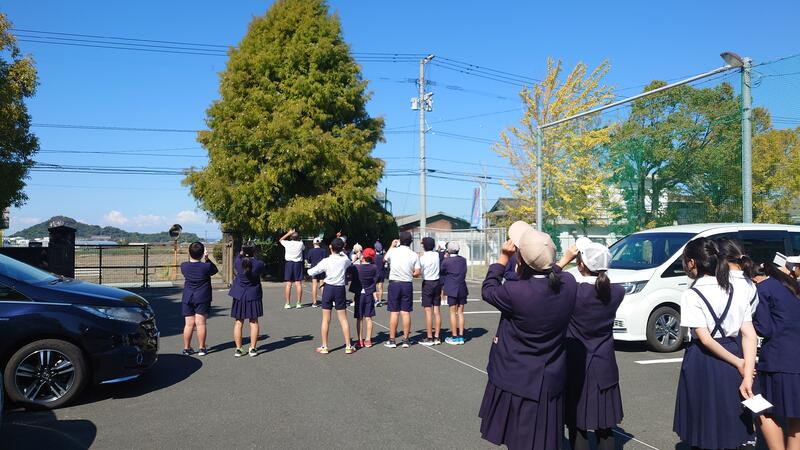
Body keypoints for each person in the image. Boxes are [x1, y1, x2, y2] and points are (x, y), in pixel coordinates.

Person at [479, 221, 577, 449]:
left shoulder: (515, 291)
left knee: (518, 439)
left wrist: (503, 258)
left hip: (516, 378)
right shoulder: (569, 284)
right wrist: (559, 262)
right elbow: (554, 274)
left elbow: (488, 289)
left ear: (520, 260)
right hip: (550, 377)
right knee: (545, 439)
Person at [673, 237, 758, 450]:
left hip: (703, 359)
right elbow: (750, 334)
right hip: (733, 352)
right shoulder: (736, 290)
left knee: (702, 425)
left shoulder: (691, 294)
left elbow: (705, 339)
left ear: (692, 262)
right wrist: (747, 371)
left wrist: (739, 363)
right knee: (731, 422)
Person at [557, 238, 625, 450]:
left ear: (581, 265)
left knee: (577, 425)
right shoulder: (618, 291)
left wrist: (564, 259)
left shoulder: (573, 291)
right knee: (605, 426)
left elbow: (548, 280)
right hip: (604, 364)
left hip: (576, 363)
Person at [753, 254, 800, 450]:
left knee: (762, 408)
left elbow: (764, 328)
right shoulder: (793, 287)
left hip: (776, 360)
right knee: (796, 417)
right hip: (796, 359)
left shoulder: (764, 289)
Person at [307, 237, 355, 355]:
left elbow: (311, 272)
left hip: (328, 288)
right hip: (339, 289)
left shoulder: (326, 261)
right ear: (342, 248)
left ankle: (324, 346)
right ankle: (348, 346)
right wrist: (342, 248)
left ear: (330, 247)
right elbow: (349, 260)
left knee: (326, 319)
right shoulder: (344, 260)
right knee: (343, 318)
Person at [180, 242, 219, 356]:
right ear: (202, 254)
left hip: (188, 297)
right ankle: (202, 348)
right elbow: (215, 270)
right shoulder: (206, 267)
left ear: (189, 252)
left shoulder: (184, 266)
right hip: (202, 297)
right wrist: (207, 259)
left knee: (188, 324)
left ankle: (187, 348)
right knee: (200, 323)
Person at [383, 231, 420, 348]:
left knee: (394, 312)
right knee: (405, 312)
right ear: (411, 242)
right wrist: (410, 273)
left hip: (394, 283)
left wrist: (392, 245)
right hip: (407, 284)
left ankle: (392, 340)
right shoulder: (414, 254)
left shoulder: (394, 251)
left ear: (400, 240)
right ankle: (406, 339)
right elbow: (417, 272)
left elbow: (385, 258)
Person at [228, 243, 265, 357]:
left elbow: (238, 258)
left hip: (239, 294)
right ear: (254, 251)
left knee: (239, 322)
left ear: (243, 251)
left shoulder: (238, 262)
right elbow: (260, 266)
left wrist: (241, 254)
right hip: (253, 294)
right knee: (253, 322)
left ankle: (239, 349)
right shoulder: (258, 264)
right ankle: (252, 348)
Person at [441, 241, 468, 345]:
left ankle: (454, 336)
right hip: (462, 288)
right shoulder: (463, 260)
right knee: (460, 312)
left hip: (452, 288)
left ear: (448, 250)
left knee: (452, 313)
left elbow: (442, 271)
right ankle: (461, 336)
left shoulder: (446, 261)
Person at [354, 248, 380, 348]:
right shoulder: (374, 268)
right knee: (368, 318)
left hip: (359, 294)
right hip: (369, 293)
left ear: (363, 257)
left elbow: (347, 269)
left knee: (359, 318)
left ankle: (360, 340)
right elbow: (376, 279)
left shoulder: (357, 267)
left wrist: (355, 258)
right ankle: (368, 340)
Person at [418, 237, 442, 346]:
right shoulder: (437, 255)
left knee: (428, 312)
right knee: (437, 311)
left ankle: (429, 337)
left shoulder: (422, 258)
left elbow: (419, 271)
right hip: (437, 282)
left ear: (424, 246)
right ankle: (437, 336)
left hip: (427, 283)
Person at [279, 229, 305, 309]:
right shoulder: (300, 243)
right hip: (298, 264)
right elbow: (303, 248)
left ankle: (287, 303)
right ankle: (299, 303)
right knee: (298, 283)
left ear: (291, 237)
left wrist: (288, 233)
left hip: (289, 263)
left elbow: (280, 240)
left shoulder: (287, 243)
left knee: (288, 283)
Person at [307, 237, 327, 308]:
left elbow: (309, 260)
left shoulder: (310, 251)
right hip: (322, 269)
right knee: (322, 285)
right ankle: (324, 301)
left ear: (313, 243)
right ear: (319, 243)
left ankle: (314, 302)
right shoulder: (323, 251)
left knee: (314, 285)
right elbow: (325, 259)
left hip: (314, 269)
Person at [374, 241, 386, 307]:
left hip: (375, 273)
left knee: (373, 287)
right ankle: (380, 300)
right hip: (381, 273)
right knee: (380, 287)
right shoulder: (383, 257)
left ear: (375, 249)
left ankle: (376, 300)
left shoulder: (374, 257)